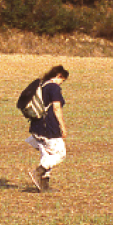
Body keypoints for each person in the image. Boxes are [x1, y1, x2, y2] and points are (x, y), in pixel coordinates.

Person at [26, 64, 69, 192]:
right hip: (49, 127)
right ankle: (38, 171)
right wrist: (63, 126)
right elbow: (56, 108)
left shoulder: (41, 86)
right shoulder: (54, 88)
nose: (62, 83)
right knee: (60, 154)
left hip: (36, 126)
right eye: (62, 80)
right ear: (59, 76)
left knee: (47, 154)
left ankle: (44, 186)